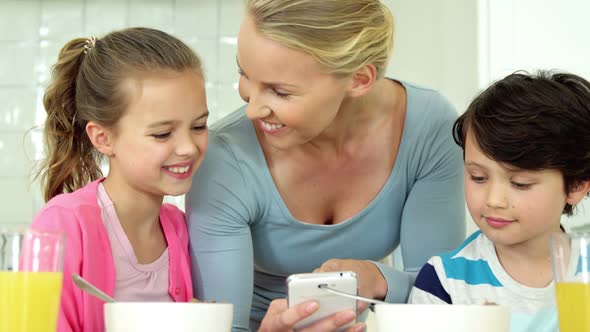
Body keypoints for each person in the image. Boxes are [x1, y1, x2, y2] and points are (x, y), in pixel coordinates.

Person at [186, 0, 466, 330]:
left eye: (279, 91)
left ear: (360, 79)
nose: (253, 109)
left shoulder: (429, 129)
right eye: (244, 74)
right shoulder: (225, 157)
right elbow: (222, 324)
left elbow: (442, 296)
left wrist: (378, 279)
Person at [31, 27, 209, 332]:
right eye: (162, 134)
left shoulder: (180, 228)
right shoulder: (64, 224)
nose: (188, 148)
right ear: (103, 138)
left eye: (199, 126)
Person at [409, 71, 590, 331]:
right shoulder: (444, 283)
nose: (493, 200)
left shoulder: (584, 276)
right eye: (478, 177)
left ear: (575, 186)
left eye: (520, 184)